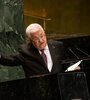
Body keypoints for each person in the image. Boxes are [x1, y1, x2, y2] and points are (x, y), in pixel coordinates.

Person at [0, 23, 80, 78]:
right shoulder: (25, 51)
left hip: (59, 87)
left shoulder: (57, 46)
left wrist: (72, 66)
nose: (41, 40)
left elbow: (66, 61)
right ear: (30, 40)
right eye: (36, 39)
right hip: (39, 91)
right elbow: (9, 60)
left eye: (42, 36)